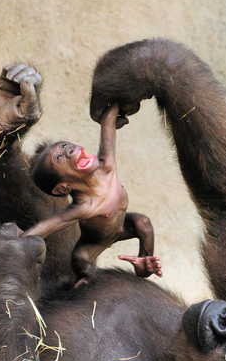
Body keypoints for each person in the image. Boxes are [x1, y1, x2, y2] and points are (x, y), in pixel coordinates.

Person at [24, 102, 161, 285]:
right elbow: (45, 227)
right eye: (59, 157)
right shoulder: (84, 207)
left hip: (123, 226)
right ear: (63, 188)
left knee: (143, 223)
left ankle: (144, 264)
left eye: (64, 145)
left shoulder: (107, 166)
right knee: (80, 258)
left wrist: (119, 96)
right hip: (96, 242)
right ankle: (86, 278)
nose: (68, 150)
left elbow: (108, 122)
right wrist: (15, 241)